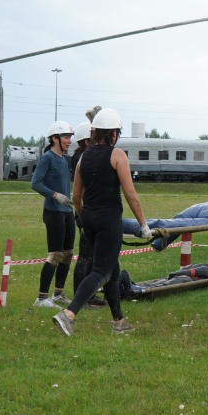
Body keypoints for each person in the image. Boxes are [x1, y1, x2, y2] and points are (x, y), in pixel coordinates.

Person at [52, 108, 152, 336]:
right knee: (101, 271)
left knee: (112, 270)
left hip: (88, 217)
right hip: (109, 218)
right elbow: (130, 194)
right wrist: (143, 225)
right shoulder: (118, 156)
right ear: (114, 133)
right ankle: (68, 314)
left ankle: (119, 321)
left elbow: (77, 196)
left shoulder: (83, 158)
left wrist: (83, 217)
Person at [30, 120, 76, 309]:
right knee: (55, 254)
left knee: (68, 254)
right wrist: (55, 195)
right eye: (66, 137)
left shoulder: (64, 160)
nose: (69, 141)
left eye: (70, 137)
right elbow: (35, 182)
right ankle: (41, 299)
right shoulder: (47, 158)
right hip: (53, 212)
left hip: (67, 212)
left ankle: (58, 294)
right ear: (55, 139)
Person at [69, 120, 107, 308]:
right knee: (85, 257)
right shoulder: (84, 158)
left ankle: (87, 296)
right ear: (86, 141)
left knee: (91, 256)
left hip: (86, 211)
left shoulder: (83, 156)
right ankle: (80, 297)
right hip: (85, 212)